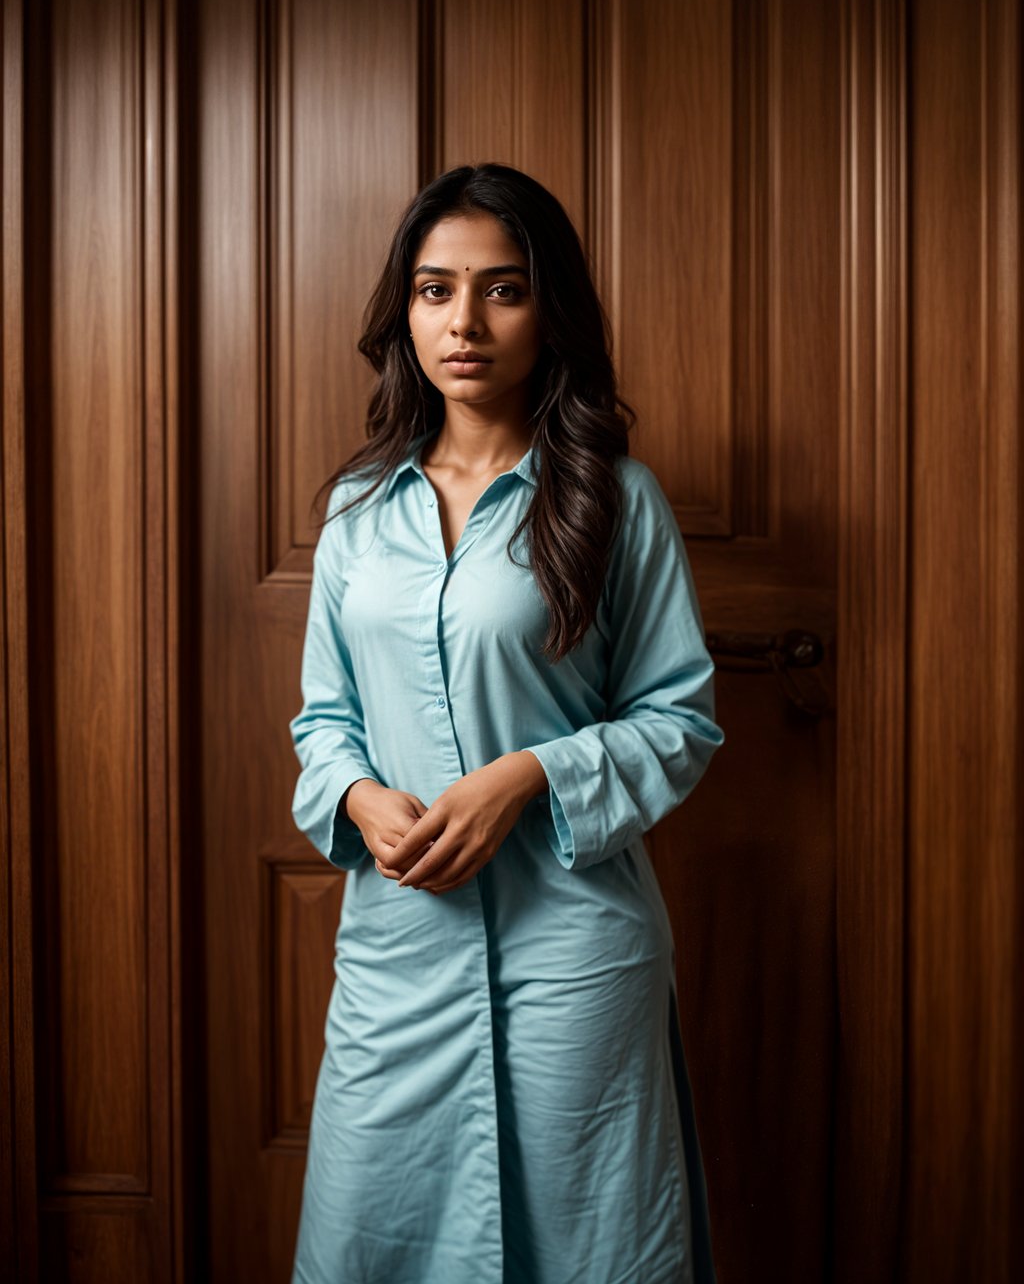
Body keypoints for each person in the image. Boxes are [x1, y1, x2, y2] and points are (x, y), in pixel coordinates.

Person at [288, 162, 726, 1284]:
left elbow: (681, 720)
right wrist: (355, 794)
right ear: (406, 313)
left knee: (591, 1238)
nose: (464, 323)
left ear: (549, 311)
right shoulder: (355, 511)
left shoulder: (616, 501)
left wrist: (526, 776)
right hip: (398, 953)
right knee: (369, 1233)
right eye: (435, 291)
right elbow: (323, 719)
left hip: (575, 949)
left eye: (502, 289)